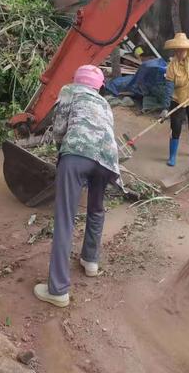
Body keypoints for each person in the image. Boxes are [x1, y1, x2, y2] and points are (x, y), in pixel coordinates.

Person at [34, 65, 120, 308]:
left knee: (65, 219)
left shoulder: (69, 91)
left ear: (77, 80)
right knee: (96, 208)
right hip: (106, 159)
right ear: (98, 85)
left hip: (77, 155)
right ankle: (90, 261)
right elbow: (107, 132)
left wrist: (63, 150)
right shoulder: (104, 103)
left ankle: (58, 290)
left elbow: (59, 128)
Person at [161, 33, 189, 166]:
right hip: (178, 99)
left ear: (187, 49)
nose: (179, 52)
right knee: (175, 126)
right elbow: (168, 88)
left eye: (181, 49)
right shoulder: (172, 66)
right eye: (176, 49)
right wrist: (165, 108)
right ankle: (172, 156)